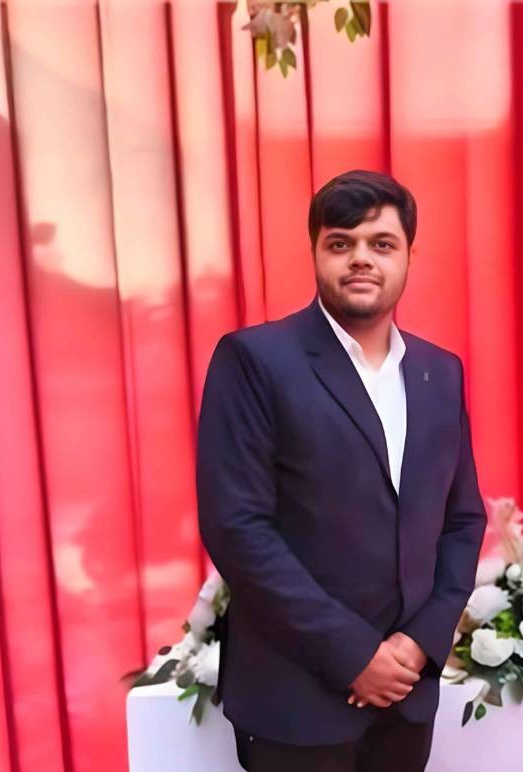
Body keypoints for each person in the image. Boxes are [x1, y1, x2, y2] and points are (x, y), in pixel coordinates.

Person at [196, 169, 487, 771]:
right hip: (294, 699)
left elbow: (462, 520)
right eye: (340, 242)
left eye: (381, 243)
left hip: (405, 697)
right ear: (315, 253)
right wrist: (354, 654)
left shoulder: (440, 371)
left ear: (409, 256)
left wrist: (420, 642)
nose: (361, 258)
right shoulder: (255, 360)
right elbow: (237, 527)